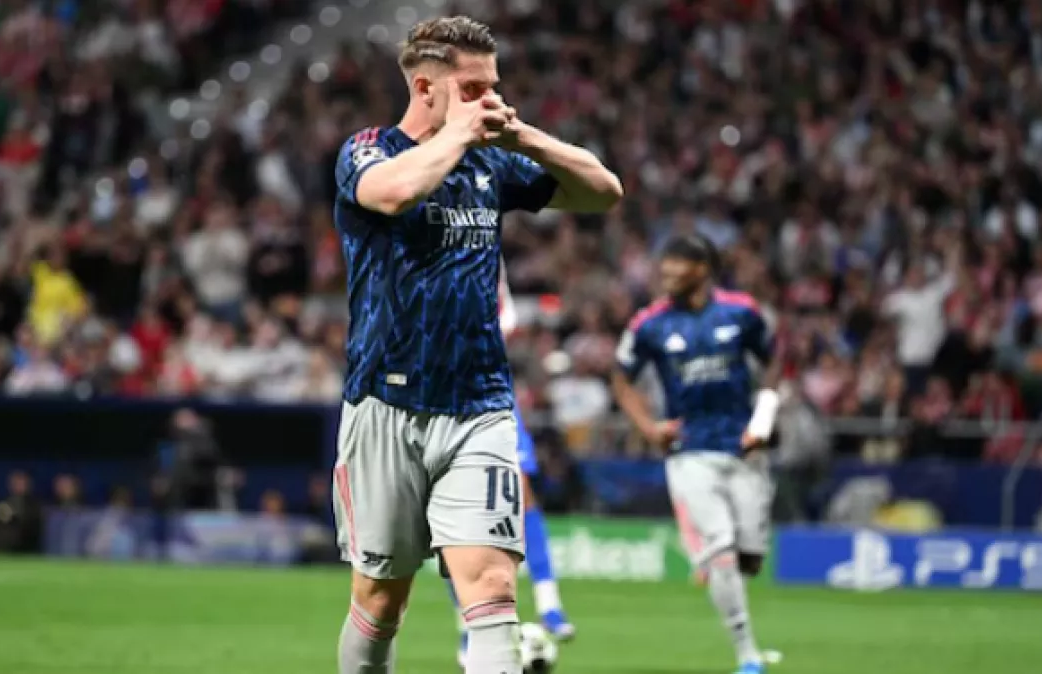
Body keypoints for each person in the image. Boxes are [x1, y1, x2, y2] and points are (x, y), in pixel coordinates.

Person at [330, 16, 622, 674]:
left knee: (491, 587)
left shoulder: (491, 160)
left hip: (480, 407)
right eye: (473, 89)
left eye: (494, 86)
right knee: (380, 601)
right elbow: (394, 192)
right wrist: (461, 133)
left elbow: (604, 191)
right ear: (424, 88)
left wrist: (522, 136)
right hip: (384, 404)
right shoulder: (366, 151)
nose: (489, 100)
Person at [610, 234, 780, 674]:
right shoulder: (650, 323)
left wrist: (764, 418)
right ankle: (748, 655)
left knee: (749, 558)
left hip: (744, 449)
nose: (666, 273)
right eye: (664, 265)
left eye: (676, 265)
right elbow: (620, 377)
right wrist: (649, 427)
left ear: (702, 269)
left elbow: (775, 361)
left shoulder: (741, 312)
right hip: (689, 451)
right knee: (720, 548)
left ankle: (727, 576)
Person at [447, 263, 574, 669]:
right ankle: (467, 627)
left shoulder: (482, 251)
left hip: (491, 392)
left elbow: (506, 316)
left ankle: (549, 603)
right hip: (438, 396)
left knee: (522, 492)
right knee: (449, 515)